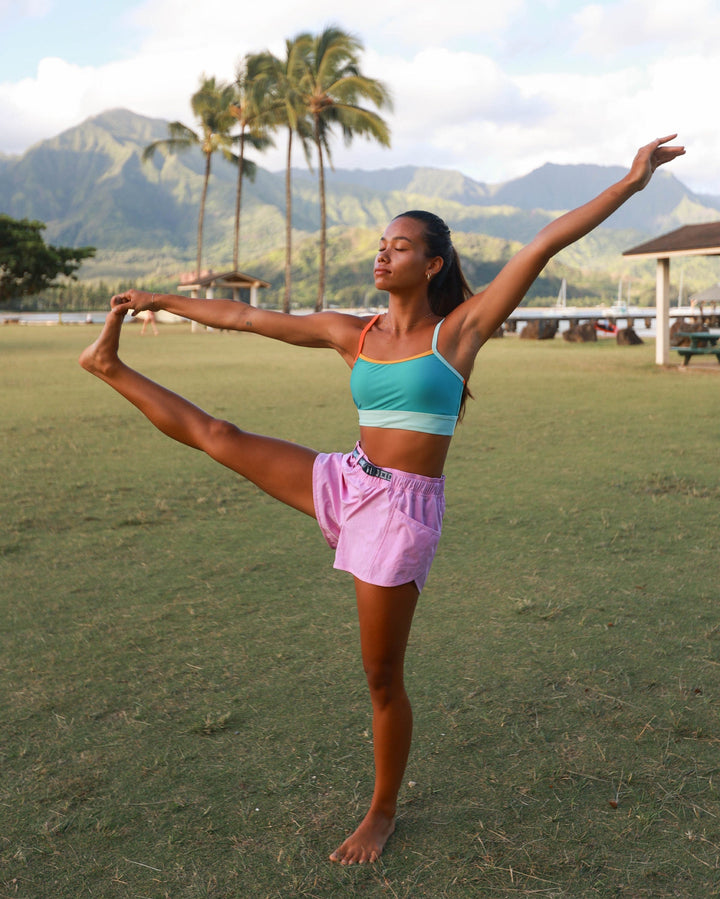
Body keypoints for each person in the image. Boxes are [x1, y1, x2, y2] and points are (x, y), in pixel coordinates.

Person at [79, 135, 684, 865]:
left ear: (432, 264)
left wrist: (631, 181)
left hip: (400, 512)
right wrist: (156, 299)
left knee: (380, 675)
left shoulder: (460, 331)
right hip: (350, 477)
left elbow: (547, 242)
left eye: (400, 246)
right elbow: (245, 319)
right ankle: (109, 364)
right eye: (380, 244)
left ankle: (383, 808)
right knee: (219, 433)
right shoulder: (352, 332)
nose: (383, 254)